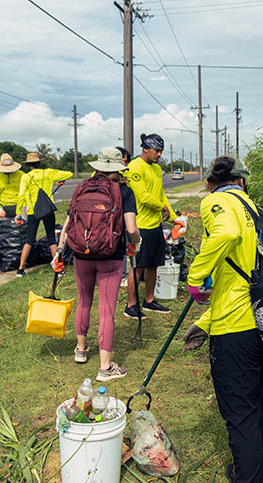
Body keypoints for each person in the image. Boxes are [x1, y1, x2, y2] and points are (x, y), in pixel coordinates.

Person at [182, 156, 263, 483]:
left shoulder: (216, 200)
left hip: (235, 325)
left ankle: (248, 475)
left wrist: (196, 276)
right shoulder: (252, 207)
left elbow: (225, 232)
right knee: (262, 395)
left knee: (239, 412)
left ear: (210, 184)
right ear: (241, 182)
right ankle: (253, 458)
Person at [56, 147, 140, 380]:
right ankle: (105, 367)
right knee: (106, 311)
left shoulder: (82, 188)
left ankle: (81, 350)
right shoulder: (124, 191)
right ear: (118, 167)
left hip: (80, 254)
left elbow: (69, 222)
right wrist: (136, 243)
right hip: (110, 257)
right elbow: (131, 228)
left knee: (84, 301)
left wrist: (61, 250)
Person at [124, 133, 183, 318]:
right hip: (139, 225)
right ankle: (131, 305)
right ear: (145, 149)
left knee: (154, 265)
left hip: (155, 224)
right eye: (156, 151)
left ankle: (149, 300)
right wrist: (162, 207)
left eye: (161, 151)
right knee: (138, 266)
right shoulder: (134, 167)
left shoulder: (157, 170)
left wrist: (174, 217)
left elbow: (160, 195)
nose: (159, 155)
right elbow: (143, 196)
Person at [15, 152, 72, 277]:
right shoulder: (48, 173)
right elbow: (69, 174)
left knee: (29, 240)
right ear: (39, 163)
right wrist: (60, 180)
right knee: (51, 239)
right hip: (47, 210)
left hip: (32, 211)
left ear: (29, 165)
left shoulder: (26, 177)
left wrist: (18, 213)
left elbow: (21, 196)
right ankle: (58, 269)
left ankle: (20, 269)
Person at [116, 146, 133, 289]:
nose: (127, 164)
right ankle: (122, 276)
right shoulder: (122, 187)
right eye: (125, 161)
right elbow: (132, 229)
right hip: (116, 225)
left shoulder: (89, 182)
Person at [0, 153, 23, 219]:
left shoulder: (21, 175)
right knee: (4, 228)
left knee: (22, 227)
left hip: (20, 206)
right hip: (3, 207)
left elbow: (26, 191)